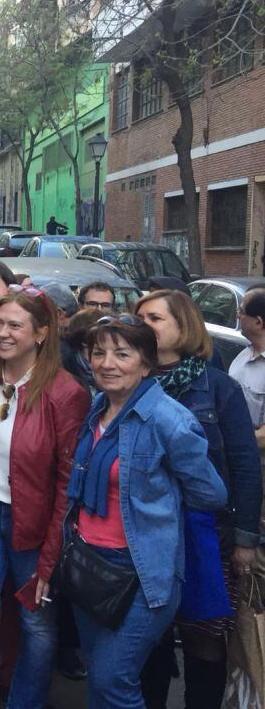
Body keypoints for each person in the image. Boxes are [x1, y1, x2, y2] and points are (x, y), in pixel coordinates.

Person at [67, 315, 228, 707]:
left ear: (146, 363)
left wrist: (159, 507)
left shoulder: (169, 420)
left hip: (141, 574)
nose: (107, 363)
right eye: (99, 352)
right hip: (87, 564)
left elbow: (210, 492)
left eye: (122, 354)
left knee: (111, 679)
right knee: (99, 678)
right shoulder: (98, 408)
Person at [0, 286, 90, 708]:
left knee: (37, 628)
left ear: (42, 333)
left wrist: (50, 556)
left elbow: (68, 482)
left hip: (35, 522)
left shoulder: (66, 394)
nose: (2, 333)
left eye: (14, 325)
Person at [135, 290, 262, 708]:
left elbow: (244, 463)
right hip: (144, 532)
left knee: (203, 638)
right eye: (139, 318)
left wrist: (245, 538)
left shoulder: (218, 387)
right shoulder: (129, 381)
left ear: (183, 326)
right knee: (149, 640)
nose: (143, 326)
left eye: (154, 318)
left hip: (205, 533)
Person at [229, 285, 265, 448]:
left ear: (258, 322)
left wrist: (233, 444)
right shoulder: (243, 355)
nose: (237, 315)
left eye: (242, 312)